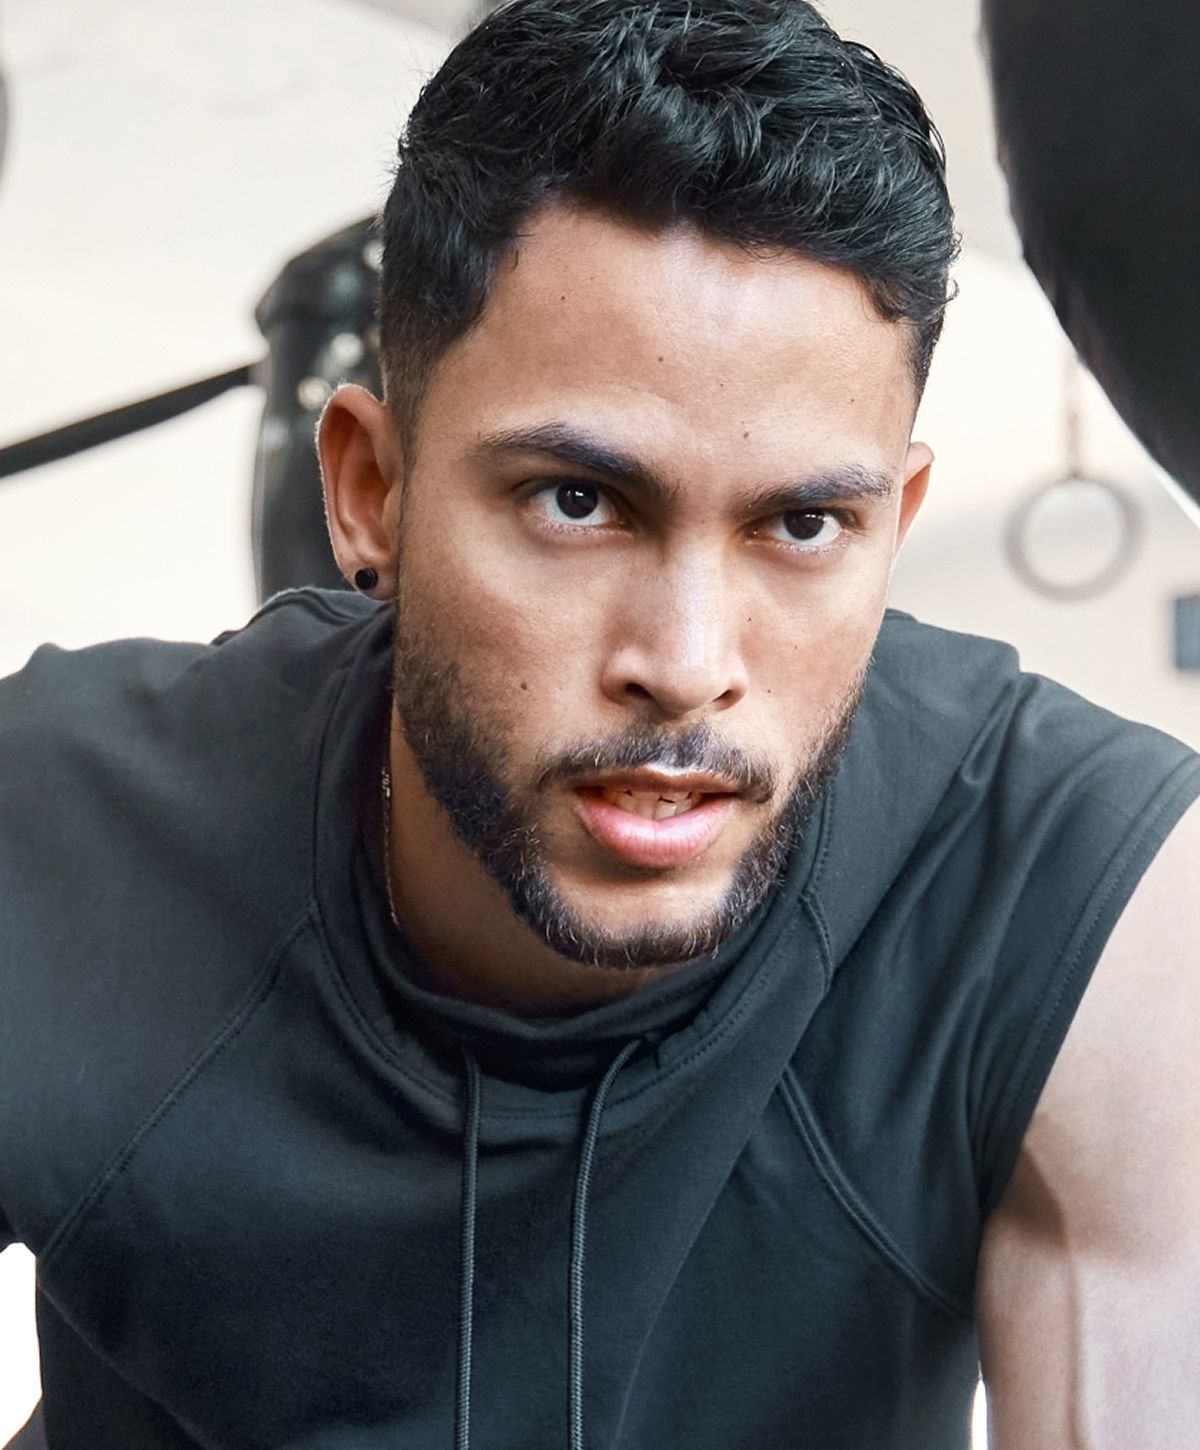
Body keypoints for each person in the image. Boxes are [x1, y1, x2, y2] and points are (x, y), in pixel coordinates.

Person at [2, 1, 1198, 1446]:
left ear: (899, 526)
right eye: (577, 500)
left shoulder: (1076, 890)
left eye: (806, 522)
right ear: (370, 490)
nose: (688, 667)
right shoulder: (61, 826)